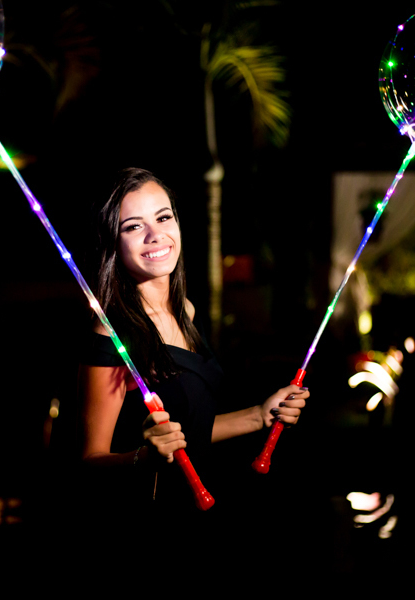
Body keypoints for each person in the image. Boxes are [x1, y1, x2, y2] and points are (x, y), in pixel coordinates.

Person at [78, 167, 308, 529]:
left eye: (163, 217)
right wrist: (144, 457)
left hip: (203, 512)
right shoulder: (110, 336)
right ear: (113, 241)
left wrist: (259, 416)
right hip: (144, 522)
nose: (156, 235)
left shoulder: (185, 310)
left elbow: (191, 430)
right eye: (134, 226)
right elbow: (88, 461)